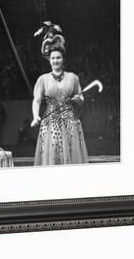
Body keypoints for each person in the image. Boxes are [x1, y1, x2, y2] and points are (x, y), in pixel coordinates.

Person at [31, 27, 88, 165]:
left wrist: (78, 100)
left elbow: (81, 100)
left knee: (72, 158)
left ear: (63, 59)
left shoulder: (73, 77)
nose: (56, 60)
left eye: (58, 58)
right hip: (50, 122)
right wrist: (35, 116)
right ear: (49, 60)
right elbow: (36, 100)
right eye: (53, 58)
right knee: (52, 158)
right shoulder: (43, 79)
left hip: (70, 121)